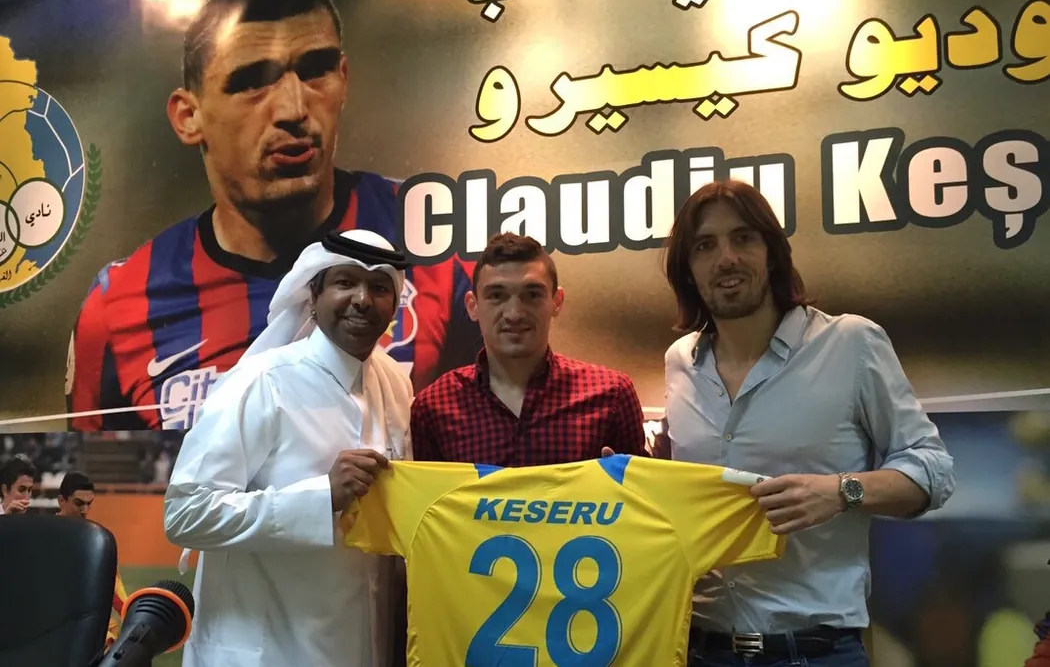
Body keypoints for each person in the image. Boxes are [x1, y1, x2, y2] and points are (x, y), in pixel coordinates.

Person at [66, 0, 480, 433]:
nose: (293, 109)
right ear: (188, 117)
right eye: (252, 82)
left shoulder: (433, 236)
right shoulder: (119, 305)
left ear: (343, 79)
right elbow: (91, 475)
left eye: (316, 70)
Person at [660, 179, 955, 666]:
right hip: (700, 650)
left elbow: (934, 471)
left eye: (743, 238)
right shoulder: (679, 362)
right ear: (688, 271)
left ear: (772, 254)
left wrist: (841, 491)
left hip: (815, 653)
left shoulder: (851, 343)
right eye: (704, 246)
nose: (726, 258)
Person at [163, 228, 414, 667]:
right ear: (313, 295)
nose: (362, 299)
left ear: (394, 306)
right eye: (345, 282)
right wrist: (320, 498)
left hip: (362, 647)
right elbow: (186, 513)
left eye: (379, 287)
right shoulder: (261, 381)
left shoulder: (396, 383)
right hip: (265, 652)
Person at [410, 231, 648, 464]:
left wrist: (620, 479)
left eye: (532, 295)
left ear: (556, 302)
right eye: (496, 295)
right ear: (472, 306)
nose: (514, 314)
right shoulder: (433, 407)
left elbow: (640, 487)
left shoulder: (612, 396)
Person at [54, 471, 129, 649]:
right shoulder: (44, 537)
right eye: (79, 503)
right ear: (61, 500)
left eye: (89, 504)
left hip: (91, 629)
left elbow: (113, 587)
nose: (85, 511)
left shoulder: (96, 541)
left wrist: (131, 613)